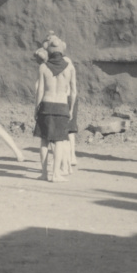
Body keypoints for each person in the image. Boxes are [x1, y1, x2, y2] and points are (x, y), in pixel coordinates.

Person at [33, 46, 76, 182]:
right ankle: (56, 174)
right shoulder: (70, 68)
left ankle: (44, 173)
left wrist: (36, 108)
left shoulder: (43, 67)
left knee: (44, 140)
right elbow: (74, 91)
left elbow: (40, 90)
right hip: (62, 105)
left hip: (46, 104)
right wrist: (71, 108)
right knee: (59, 141)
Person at [42, 34, 79, 173]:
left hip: (63, 99)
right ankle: (67, 161)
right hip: (66, 98)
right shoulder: (65, 61)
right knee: (66, 133)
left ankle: (67, 160)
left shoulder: (50, 63)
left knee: (62, 134)